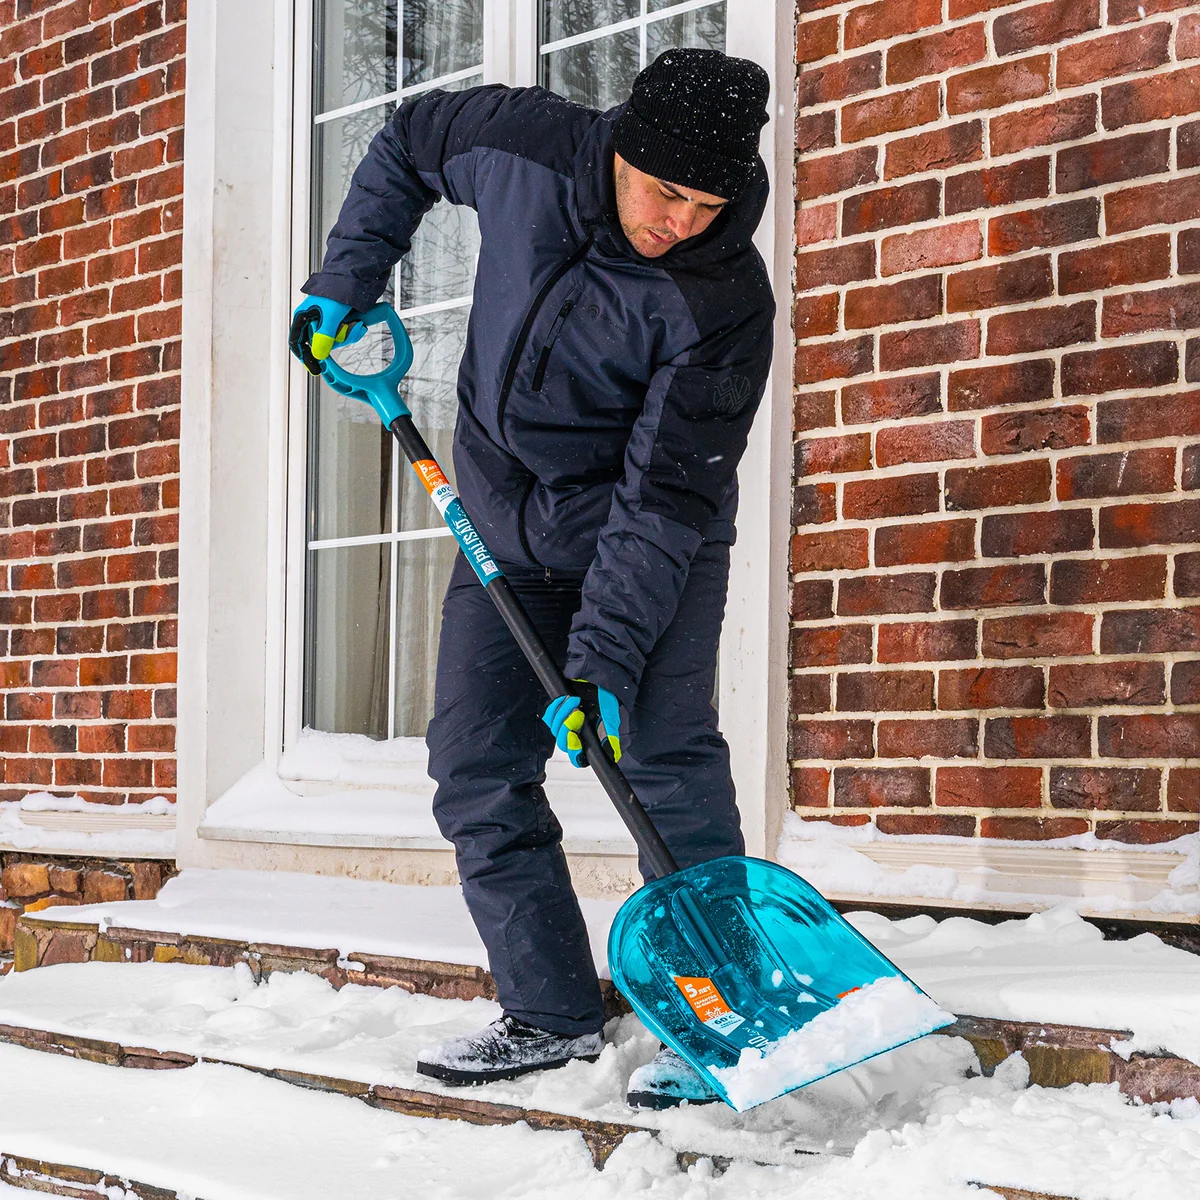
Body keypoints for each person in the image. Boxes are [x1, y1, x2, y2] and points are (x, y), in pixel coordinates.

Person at [290, 48, 774, 1110]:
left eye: (709, 204)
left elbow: (663, 501)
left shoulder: (725, 299)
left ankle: (726, 1017)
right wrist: (346, 281)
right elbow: (406, 146)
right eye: (665, 192)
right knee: (474, 764)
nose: (680, 222)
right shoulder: (525, 147)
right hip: (502, 524)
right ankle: (549, 1012)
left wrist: (601, 664)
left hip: (649, 538)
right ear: (622, 151)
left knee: (661, 758)